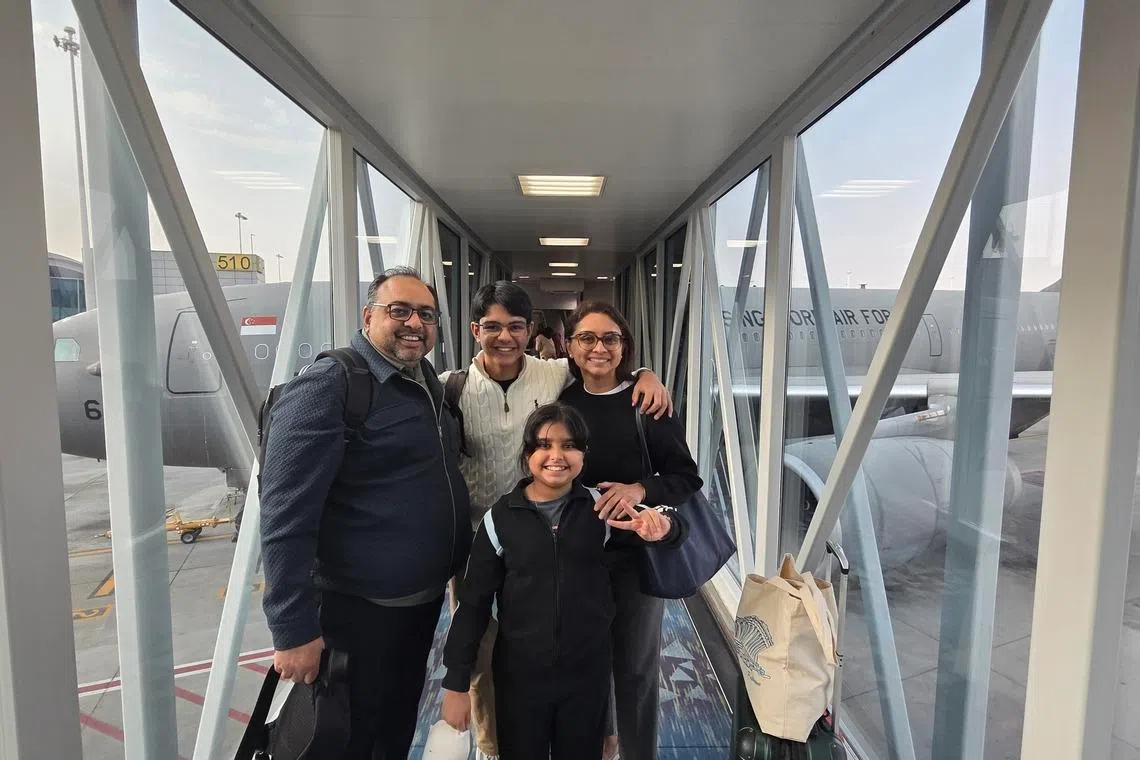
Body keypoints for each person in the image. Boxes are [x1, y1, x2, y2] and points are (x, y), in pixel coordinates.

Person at [440, 281, 672, 760]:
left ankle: (592, 734)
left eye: (516, 327)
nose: (504, 337)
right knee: (487, 652)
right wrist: (453, 684)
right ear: (474, 329)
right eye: (492, 327)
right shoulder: (449, 388)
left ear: (532, 332)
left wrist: (647, 373)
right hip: (488, 534)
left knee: (577, 629)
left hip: (558, 523)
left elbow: (602, 356)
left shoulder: (551, 375)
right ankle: (495, 746)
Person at [259, 267, 472, 759]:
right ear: (368, 315)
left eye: (426, 314)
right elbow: (286, 513)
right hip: (355, 614)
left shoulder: (422, 383)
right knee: (348, 738)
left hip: (417, 607)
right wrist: (292, 628)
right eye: (399, 310)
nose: (414, 322)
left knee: (392, 728)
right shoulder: (330, 385)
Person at [559, 301, 704, 760]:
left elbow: (685, 477)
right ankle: (601, 742)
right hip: (578, 556)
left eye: (610, 339)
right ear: (570, 346)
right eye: (587, 338)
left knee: (636, 670)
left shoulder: (647, 404)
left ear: (624, 347)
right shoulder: (562, 404)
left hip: (637, 559)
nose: (598, 348)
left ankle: (638, 751)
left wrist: (639, 486)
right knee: (585, 662)